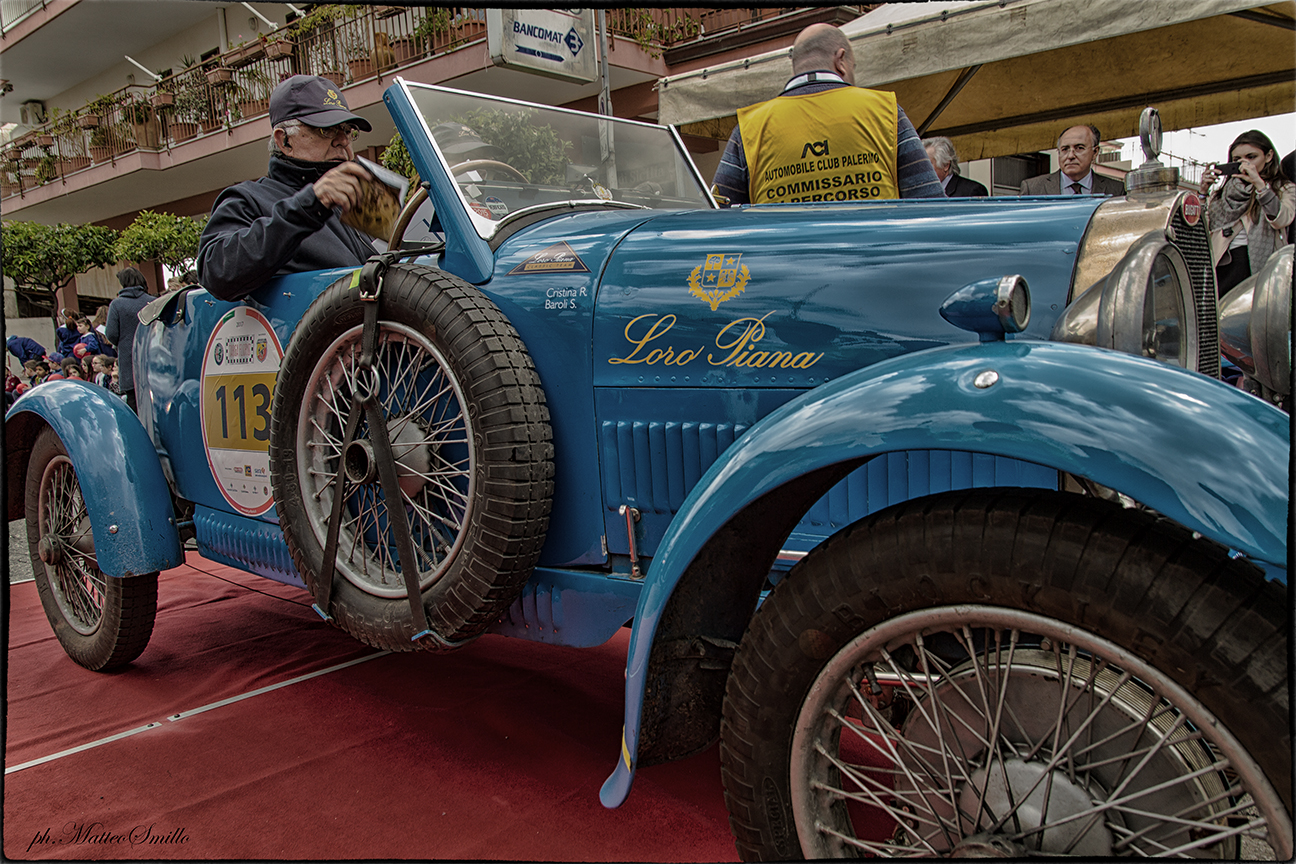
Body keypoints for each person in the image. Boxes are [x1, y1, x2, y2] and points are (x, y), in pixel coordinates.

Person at [711, 23, 943, 206]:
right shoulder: (886, 112)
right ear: (840, 60)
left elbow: (718, 217)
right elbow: (931, 205)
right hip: (874, 252)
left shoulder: (749, 129)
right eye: (853, 66)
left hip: (787, 253)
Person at [197, 75, 379, 301]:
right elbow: (216, 271)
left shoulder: (355, 198)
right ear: (284, 141)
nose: (342, 140)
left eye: (348, 131)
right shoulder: (250, 199)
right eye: (327, 130)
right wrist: (311, 205)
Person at [1200, 130, 1295, 297]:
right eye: (1237, 159)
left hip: (1259, 265)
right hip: (1222, 264)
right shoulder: (1221, 194)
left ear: (1268, 156)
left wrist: (1259, 184)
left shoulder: (1283, 188)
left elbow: (1281, 219)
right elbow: (1201, 230)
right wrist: (1202, 193)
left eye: (1251, 157)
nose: (1244, 164)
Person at [1020, 125, 1125, 196]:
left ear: (1095, 152)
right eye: (1065, 149)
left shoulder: (1116, 190)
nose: (1070, 156)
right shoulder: (1033, 189)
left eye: (1079, 148)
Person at [105, 266, 153, 412]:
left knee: (133, 404)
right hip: (152, 358)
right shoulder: (153, 302)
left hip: (129, 360)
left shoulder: (117, 304)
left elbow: (111, 333)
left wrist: (122, 343)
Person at [923, 137, 988, 198]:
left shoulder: (972, 191)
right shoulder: (922, 192)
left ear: (945, 165)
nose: (922, 169)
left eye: (927, 164)